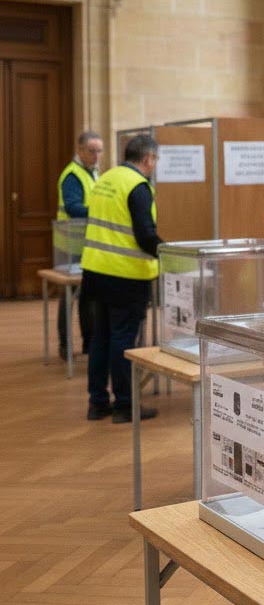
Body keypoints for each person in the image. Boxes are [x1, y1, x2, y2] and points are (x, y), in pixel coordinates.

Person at [81, 135, 162, 423]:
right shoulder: (138, 186)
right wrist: (169, 254)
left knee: (100, 337)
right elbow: (145, 236)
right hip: (125, 276)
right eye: (155, 160)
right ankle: (125, 404)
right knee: (123, 339)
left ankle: (97, 402)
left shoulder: (106, 178)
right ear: (148, 158)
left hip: (94, 271)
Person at [56, 130, 103, 359]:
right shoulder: (73, 175)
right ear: (80, 150)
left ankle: (88, 342)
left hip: (86, 242)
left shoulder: (93, 172)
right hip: (69, 243)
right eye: (92, 151)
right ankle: (65, 344)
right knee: (69, 294)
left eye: (99, 151)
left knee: (88, 294)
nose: (96, 156)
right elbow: (74, 208)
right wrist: (101, 211)